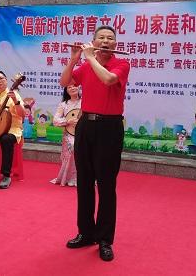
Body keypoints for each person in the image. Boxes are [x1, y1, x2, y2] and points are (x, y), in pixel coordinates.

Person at [60, 26, 130, 262]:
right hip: (85, 126)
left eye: (110, 38)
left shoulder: (121, 64)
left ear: (115, 44)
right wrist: (74, 59)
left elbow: (109, 79)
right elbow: (64, 81)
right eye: (101, 38)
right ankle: (86, 232)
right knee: (85, 182)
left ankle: (105, 239)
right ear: (94, 41)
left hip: (109, 128)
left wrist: (90, 57)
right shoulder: (86, 65)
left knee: (107, 185)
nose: (106, 41)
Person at [50, 85, 80, 187]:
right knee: (72, 145)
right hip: (69, 134)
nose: (72, 88)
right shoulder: (63, 105)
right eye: (69, 87)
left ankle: (83, 177)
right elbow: (55, 120)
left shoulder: (85, 102)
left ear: (79, 88)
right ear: (66, 91)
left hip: (83, 133)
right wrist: (68, 121)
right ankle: (70, 178)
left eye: (75, 86)